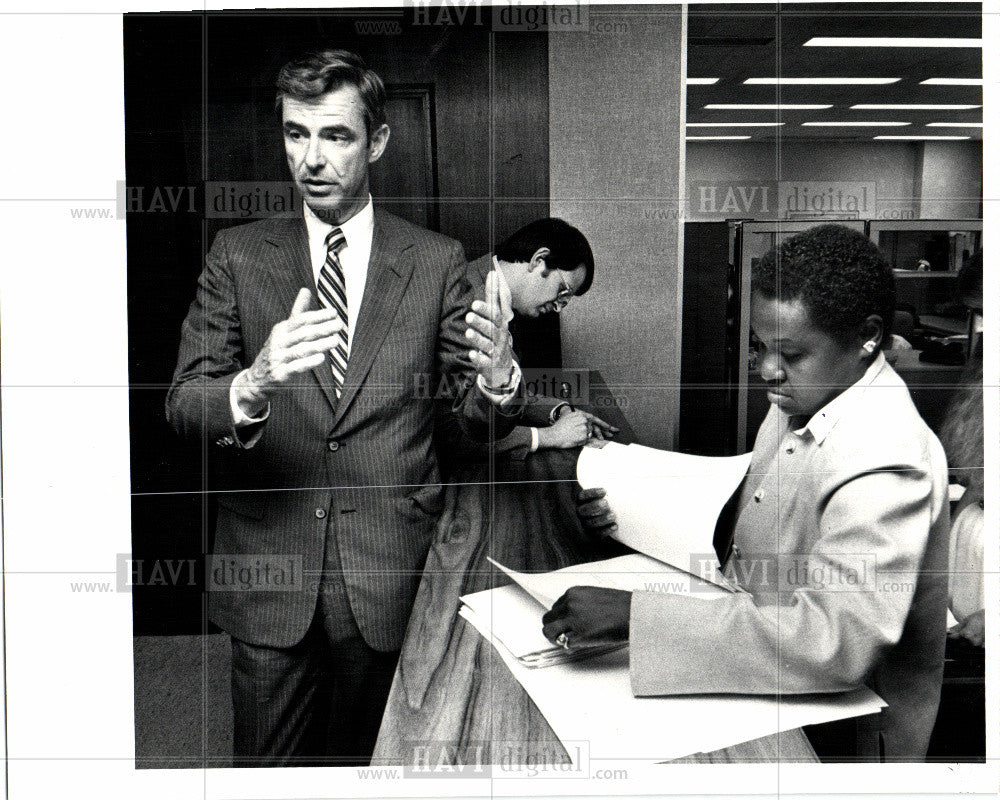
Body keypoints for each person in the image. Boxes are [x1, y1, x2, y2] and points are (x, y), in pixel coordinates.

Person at [166, 49, 519, 768]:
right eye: (297, 134)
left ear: (378, 142)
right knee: (264, 772)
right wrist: (253, 382)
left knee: (375, 766)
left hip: (388, 569)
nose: (312, 159)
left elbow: (460, 423)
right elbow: (183, 404)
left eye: (337, 136)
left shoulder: (435, 260)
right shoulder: (236, 255)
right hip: (270, 573)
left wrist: (499, 383)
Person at [544, 224, 950, 762]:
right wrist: (632, 507)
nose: (765, 370)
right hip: (773, 678)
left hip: (841, 733)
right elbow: (765, 507)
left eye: (790, 353)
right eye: (760, 346)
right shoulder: (814, 390)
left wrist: (635, 616)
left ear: (867, 337)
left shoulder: (886, 456)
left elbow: (837, 644)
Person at [446, 218, 618, 461]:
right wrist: (549, 436)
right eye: (563, 291)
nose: (559, 308)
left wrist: (557, 411)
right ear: (539, 260)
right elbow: (454, 431)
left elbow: (501, 390)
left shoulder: (494, 291)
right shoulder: (464, 299)